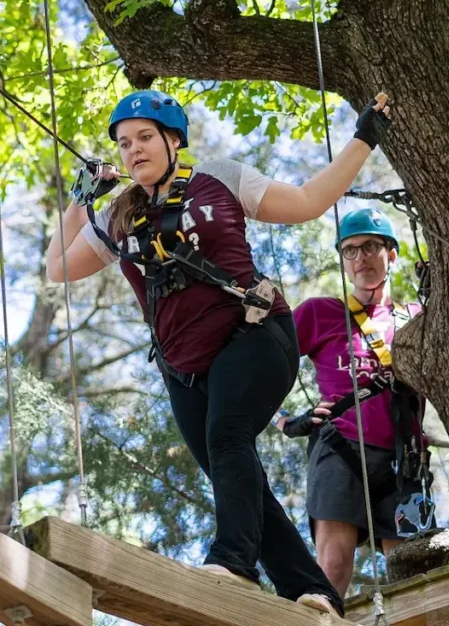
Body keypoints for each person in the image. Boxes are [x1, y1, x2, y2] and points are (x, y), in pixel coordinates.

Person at [46, 89, 393, 617]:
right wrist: (81, 198)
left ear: (172, 140)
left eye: (144, 138)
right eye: (122, 144)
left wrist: (364, 137)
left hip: (254, 335)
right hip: (183, 370)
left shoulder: (218, 178)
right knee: (236, 473)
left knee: (227, 435)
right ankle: (315, 590)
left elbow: (307, 202)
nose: (132, 150)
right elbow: (57, 269)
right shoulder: (118, 216)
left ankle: (233, 561)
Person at [274, 209, 434, 597]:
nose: (360, 258)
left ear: (391, 255)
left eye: (370, 247)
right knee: (332, 565)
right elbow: (260, 365)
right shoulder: (321, 313)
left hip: (404, 458)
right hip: (342, 447)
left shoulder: (417, 319)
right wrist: (284, 421)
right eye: (350, 250)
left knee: (412, 572)